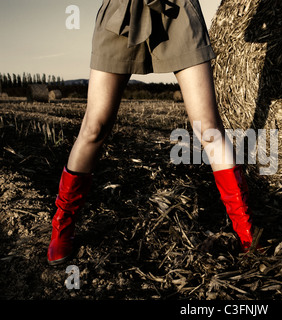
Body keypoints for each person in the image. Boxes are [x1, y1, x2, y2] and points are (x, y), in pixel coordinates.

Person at [47, 0, 256, 266]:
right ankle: (62, 226)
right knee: (94, 128)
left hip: (176, 8)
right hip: (120, 11)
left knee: (208, 129)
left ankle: (246, 230)